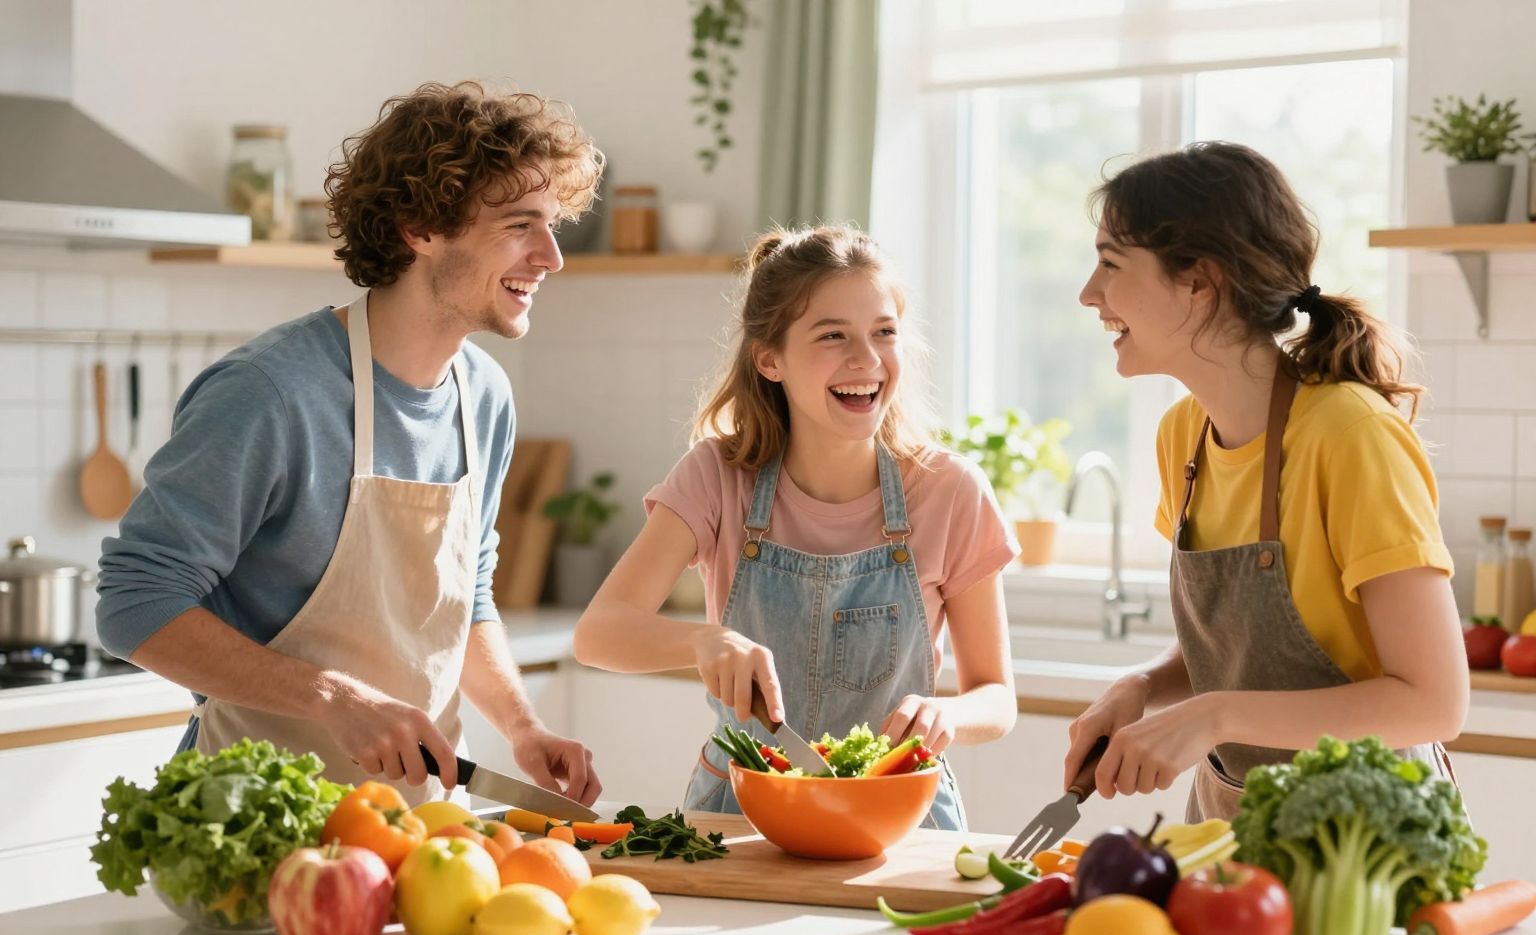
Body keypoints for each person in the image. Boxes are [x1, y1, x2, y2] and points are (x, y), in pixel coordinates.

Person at [97, 82, 604, 806]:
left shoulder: (483, 395)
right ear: (421, 226)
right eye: (521, 225)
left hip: (419, 826)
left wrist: (522, 730)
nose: (551, 256)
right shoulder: (272, 393)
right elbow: (133, 602)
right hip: (262, 821)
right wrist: (335, 697)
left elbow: (468, 596)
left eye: (552, 225)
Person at [1068, 142, 1468, 822]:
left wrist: (1214, 716)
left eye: (1110, 263)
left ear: (1200, 281)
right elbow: (1242, 654)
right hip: (1231, 822)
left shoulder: (1349, 436)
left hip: (1367, 841)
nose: (1089, 293)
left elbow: (1433, 702)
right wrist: (1143, 686)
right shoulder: (1182, 438)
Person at [571, 225, 1019, 829]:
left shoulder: (949, 490)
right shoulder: (717, 476)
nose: (866, 360)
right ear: (770, 358)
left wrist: (949, 717)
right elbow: (599, 634)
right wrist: (702, 641)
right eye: (832, 335)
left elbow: (997, 696)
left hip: (898, 817)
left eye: (883, 333)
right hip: (740, 812)